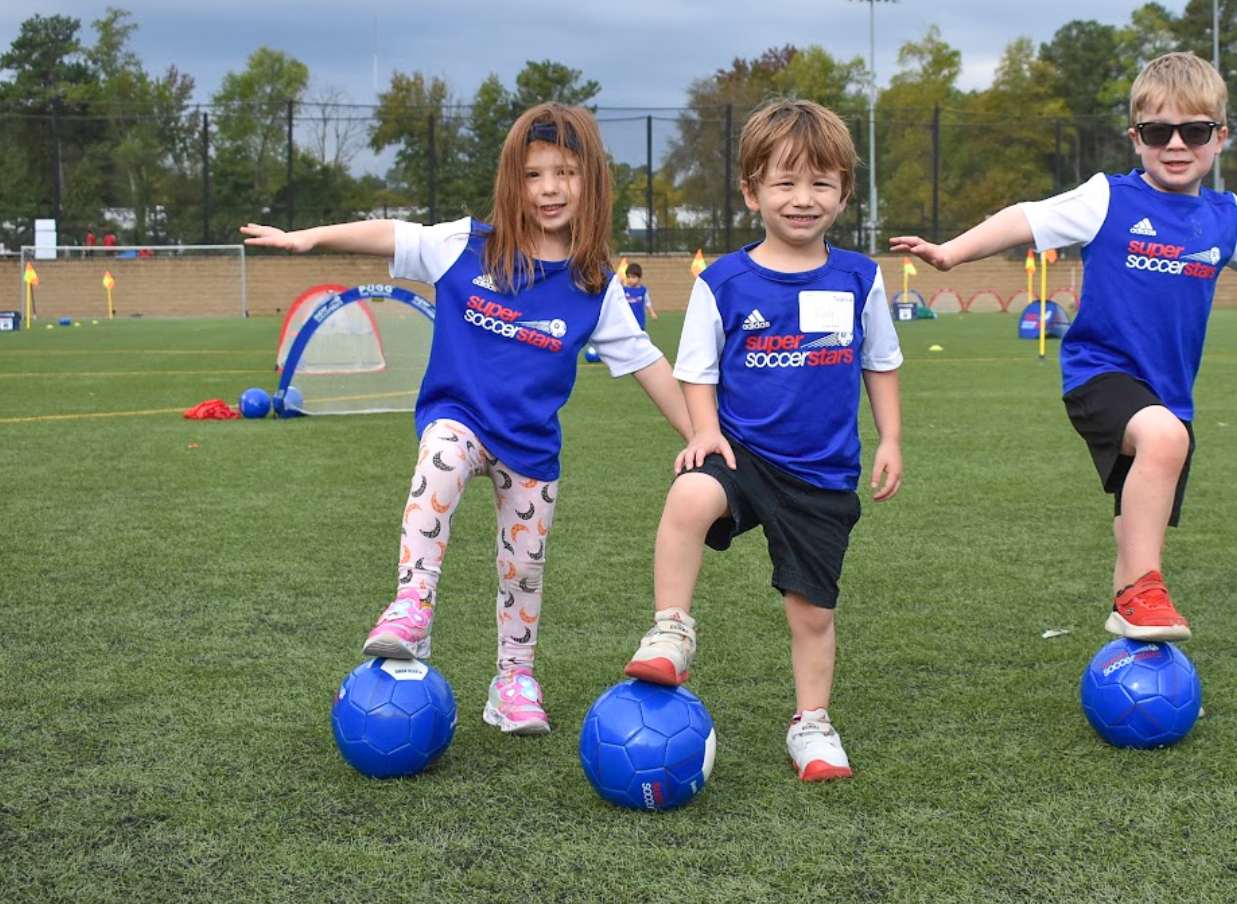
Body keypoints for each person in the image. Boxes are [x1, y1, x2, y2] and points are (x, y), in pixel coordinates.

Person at [243, 102, 692, 736]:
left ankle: (513, 681)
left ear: (590, 180)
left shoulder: (595, 284)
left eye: (565, 172)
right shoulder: (467, 245)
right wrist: (309, 238)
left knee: (523, 570)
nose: (549, 189)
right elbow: (393, 234)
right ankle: (412, 606)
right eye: (533, 175)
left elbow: (648, 364)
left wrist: (701, 434)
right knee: (441, 460)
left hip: (530, 447)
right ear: (514, 181)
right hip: (459, 418)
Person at [892, 52, 1237, 644]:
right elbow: (1026, 218)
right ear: (1136, 138)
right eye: (1158, 131)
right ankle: (1144, 591)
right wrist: (951, 252)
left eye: (1194, 131)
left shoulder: (1226, 218)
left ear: (1220, 138)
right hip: (1100, 376)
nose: (1176, 144)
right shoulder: (1108, 199)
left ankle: (1133, 628)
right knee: (1164, 441)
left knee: (1135, 528)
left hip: (1171, 396)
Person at [623, 98, 904, 781]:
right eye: (785, 182)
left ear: (844, 193)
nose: (803, 199)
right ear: (752, 191)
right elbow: (697, 371)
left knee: (811, 614)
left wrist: (891, 438)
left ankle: (812, 724)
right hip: (743, 453)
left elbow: (881, 362)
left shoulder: (860, 277)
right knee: (690, 494)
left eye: (821, 183)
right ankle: (672, 629)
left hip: (822, 474)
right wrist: (705, 432)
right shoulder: (722, 281)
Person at [621, 262, 657, 329]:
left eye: (633, 277)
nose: (630, 279)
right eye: (628, 277)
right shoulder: (623, 290)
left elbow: (647, 302)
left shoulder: (643, 290)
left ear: (639, 278)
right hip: (627, 322)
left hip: (639, 321)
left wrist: (652, 313)